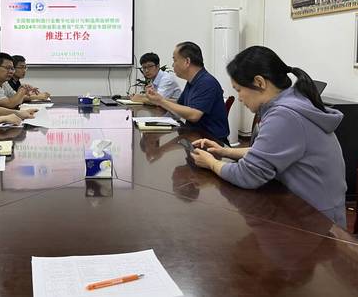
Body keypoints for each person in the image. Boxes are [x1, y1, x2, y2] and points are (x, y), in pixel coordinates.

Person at [190, 46, 347, 227]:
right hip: (305, 208)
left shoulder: (285, 115)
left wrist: (211, 163)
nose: (239, 98)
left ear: (259, 82)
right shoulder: (292, 102)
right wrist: (224, 151)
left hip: (317, 222)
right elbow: (268, 152)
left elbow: (247, 175)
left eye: (239, 89)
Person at [146, 42, 230, 144]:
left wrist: (161, 101)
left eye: (175, 60)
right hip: (194, 137)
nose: (173, 65)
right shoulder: (192, 80)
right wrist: (158, 99)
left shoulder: (206, 82)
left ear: (187, 61)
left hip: (212, 142)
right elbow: (180, 105)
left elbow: (194, 115)